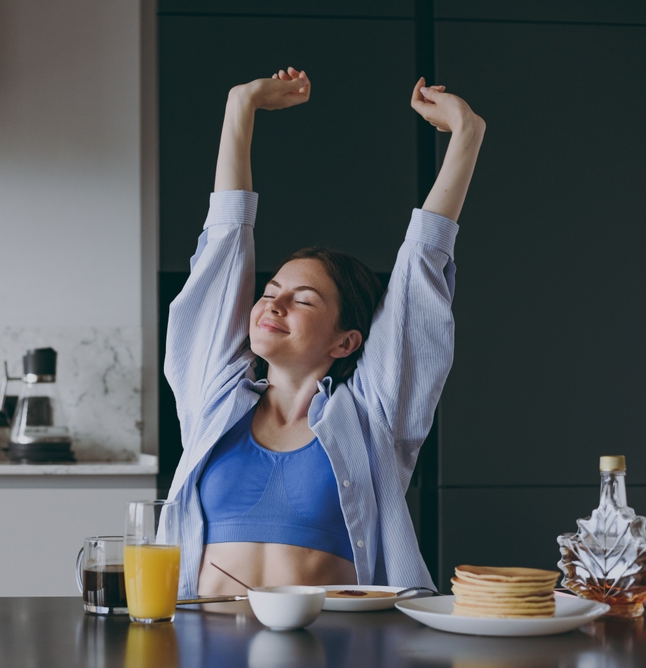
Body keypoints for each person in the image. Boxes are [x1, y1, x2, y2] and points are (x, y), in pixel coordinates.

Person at [163, 67, 485, 598]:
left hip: (332, 650)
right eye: (270, 291)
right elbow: (222, 254)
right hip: (205, 649)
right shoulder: (212, 396)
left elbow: (418, 277)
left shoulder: (371, 417)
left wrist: (466, 137)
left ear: (345, 343)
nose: (274, 303)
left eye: (303, 299)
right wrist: (239, 109)